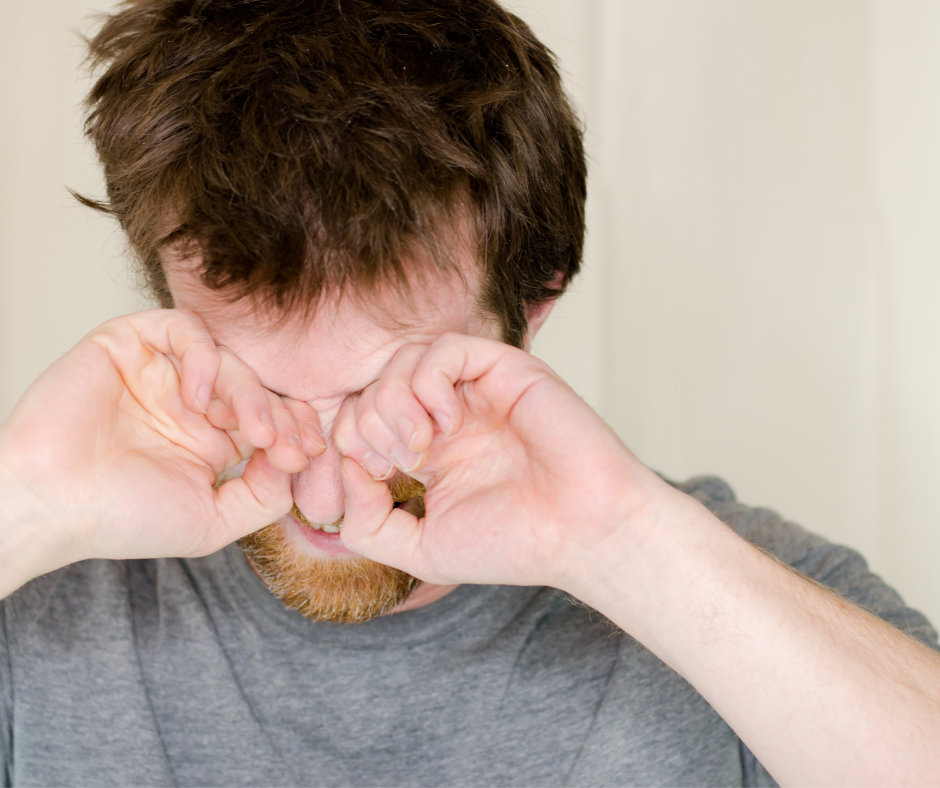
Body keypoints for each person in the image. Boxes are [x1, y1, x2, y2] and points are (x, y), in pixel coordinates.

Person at [1, 0, 939, 785]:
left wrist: (618, 543)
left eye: (389, 398)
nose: (324, 494)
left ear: (531, 313)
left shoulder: (738, 595)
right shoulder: (40, 594)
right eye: (256, 391)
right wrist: (26, 507)